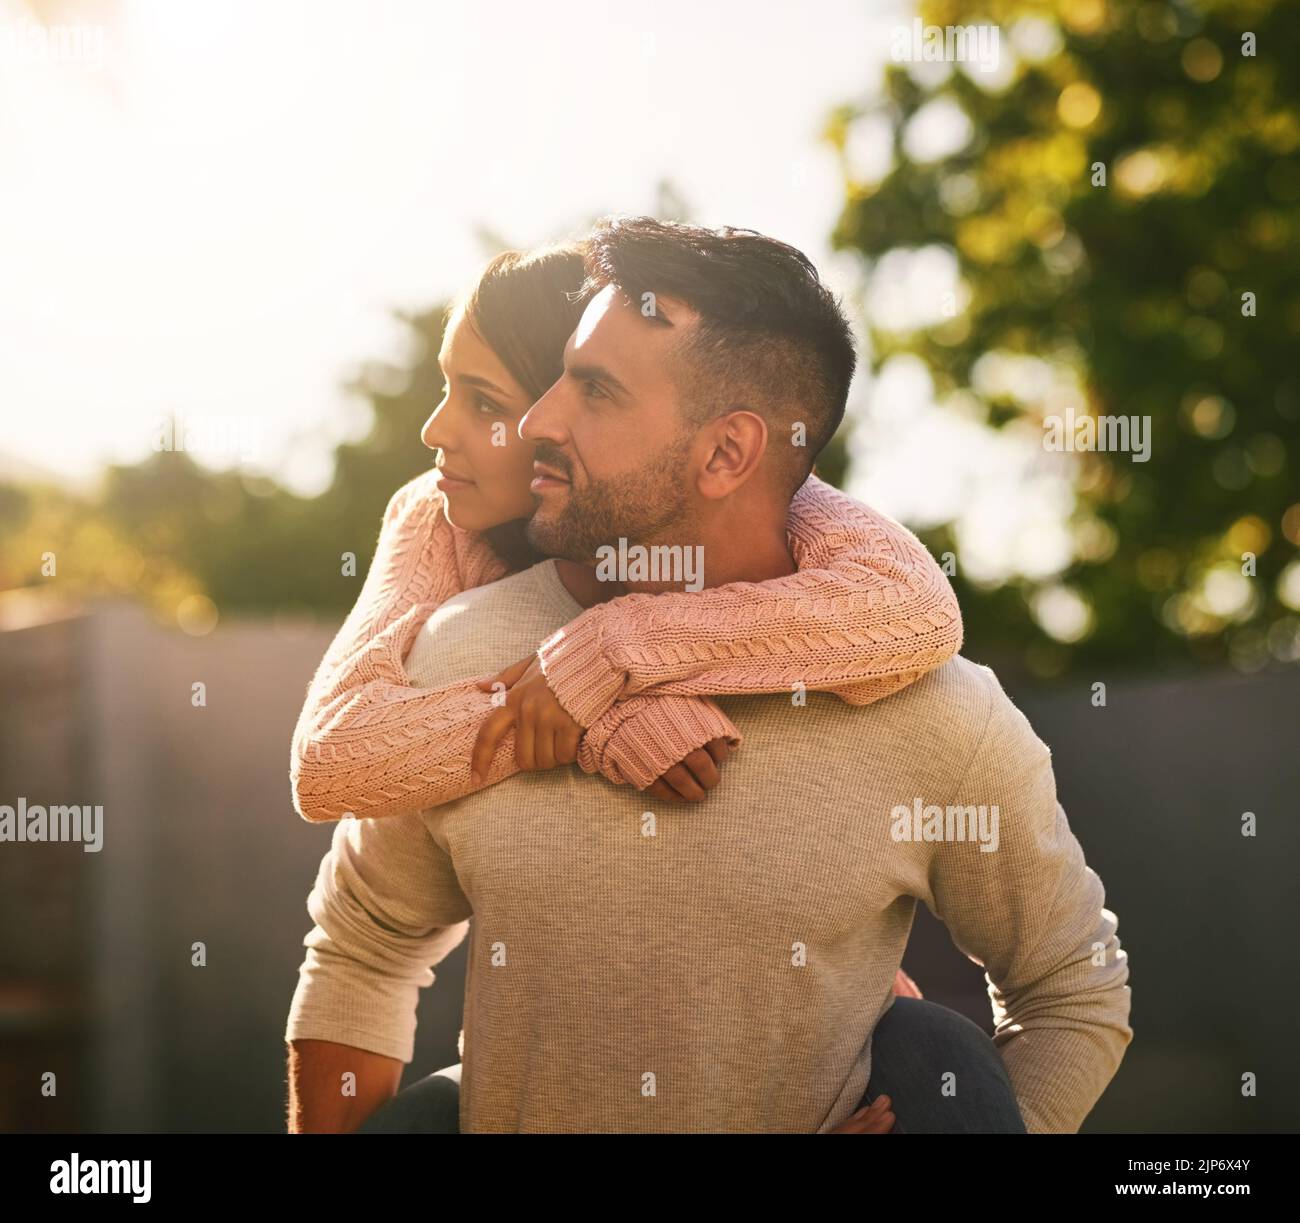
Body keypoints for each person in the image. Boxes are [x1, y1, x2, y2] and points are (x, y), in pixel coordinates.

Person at [285, 217, 1132, 1134]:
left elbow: (1073, 989)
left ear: (729, 452)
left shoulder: (934, 711)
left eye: (596, 390)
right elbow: (362, 946)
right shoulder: (454, 648)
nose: (539, 421)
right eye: (559, 372)